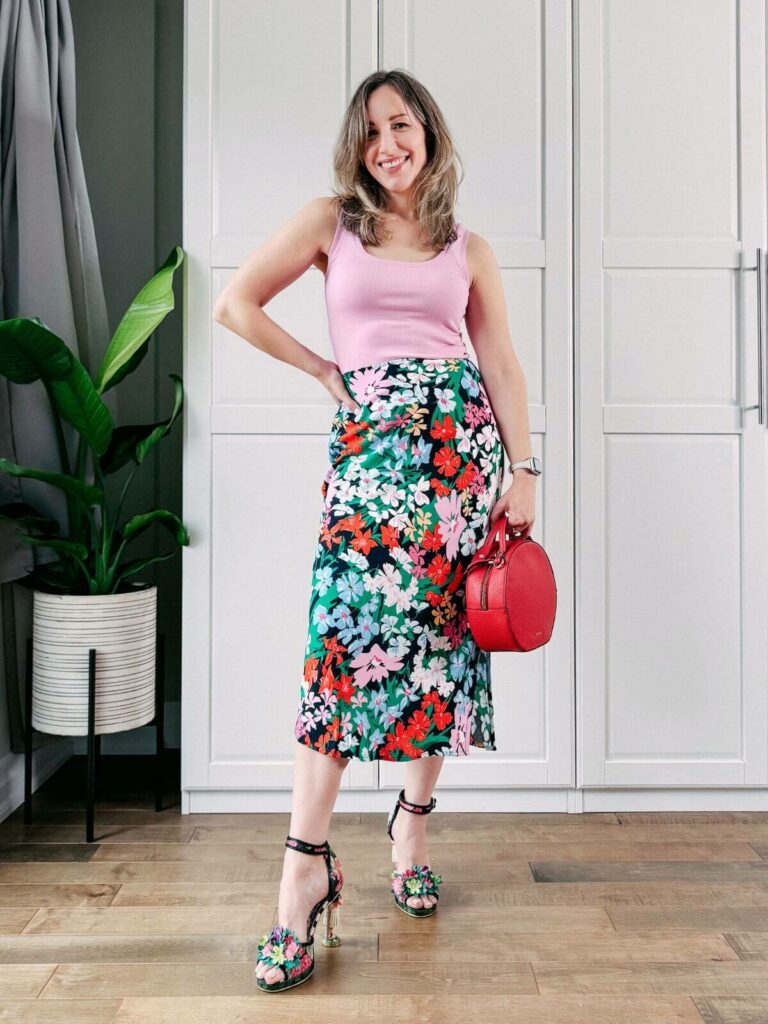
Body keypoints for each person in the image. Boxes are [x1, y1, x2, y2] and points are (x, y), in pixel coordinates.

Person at [212, 68, 538, 994]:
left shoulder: (467, 247)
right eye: (370, 132)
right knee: (339, 655)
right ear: (357, 148)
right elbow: (234, 303)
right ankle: (301, 869)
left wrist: (523, 471)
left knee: (439, 646)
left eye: (402, 125)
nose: (387, 144)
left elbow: (502, 363)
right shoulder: (332, 223)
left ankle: (412, 822)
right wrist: (322, 369)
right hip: (368, 466)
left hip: (459, 466)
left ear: (428, 133)